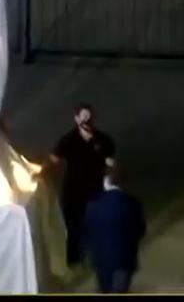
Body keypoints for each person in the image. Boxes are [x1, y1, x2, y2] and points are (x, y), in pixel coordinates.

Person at [41, 103, 117, 266]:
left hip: (95, 190)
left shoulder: (103, 140)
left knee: (96, 224)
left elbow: (111, 164)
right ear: (76, 119)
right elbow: (53, 160)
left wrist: (111, 184)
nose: (86, 120)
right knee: (71, 226)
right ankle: (74, 258)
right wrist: (39, 175)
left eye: (88, 116)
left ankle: (98, 256)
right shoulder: (68, 140)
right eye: (82, 116)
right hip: (72, 191)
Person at [83, 166, 145, 293]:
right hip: (124, 260)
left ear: (105, 182)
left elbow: (86, 233)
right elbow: (140, 230)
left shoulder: (93, 205)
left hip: (101, 262)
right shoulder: (132, 203)